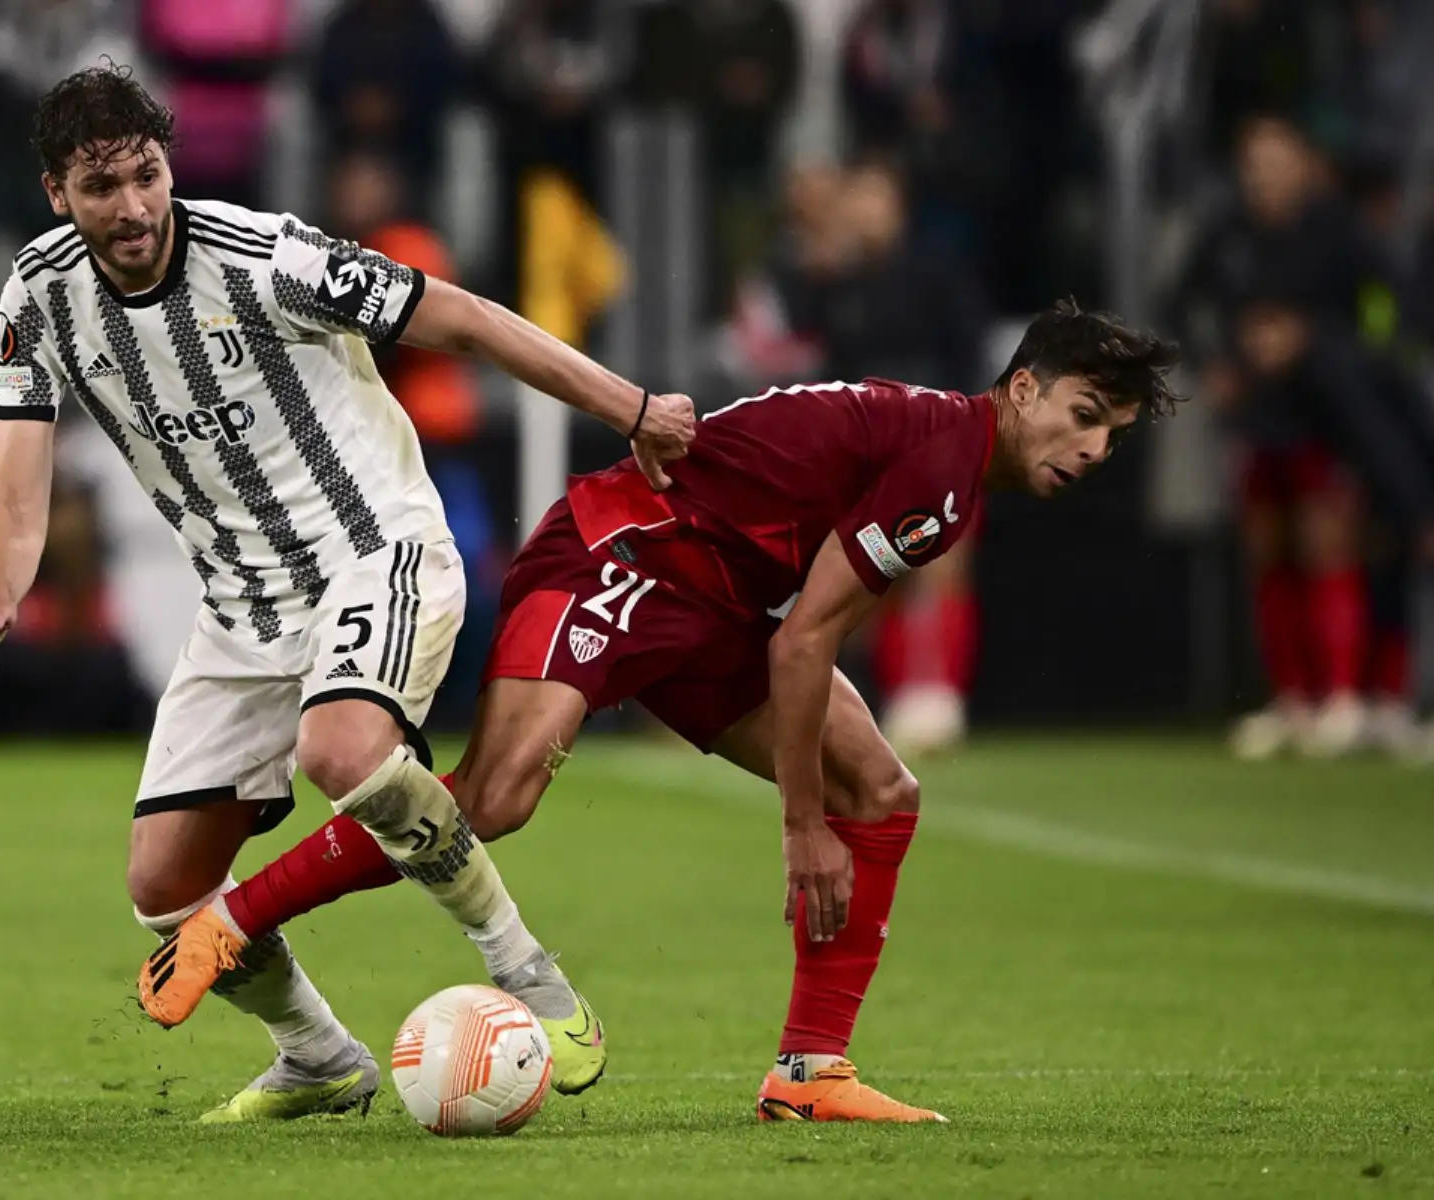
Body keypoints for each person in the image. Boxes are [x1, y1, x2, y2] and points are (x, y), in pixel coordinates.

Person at [156, 300, 1184, 1122]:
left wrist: (822, 808)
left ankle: (811, 1071)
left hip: (715, 604)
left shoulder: (948, 458)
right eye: (1084, 415)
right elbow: (805, 640)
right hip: (626, 552)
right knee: (499, 796)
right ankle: (233, 920)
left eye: (1113, 436)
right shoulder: (946, 470)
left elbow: (794, 633)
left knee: (880, 786)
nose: (1092, 449)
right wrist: (800, 828)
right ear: (1024, 387)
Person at [0, 65, 694, 1122]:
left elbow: (469, 320)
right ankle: (318, 1058)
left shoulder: (266, 257)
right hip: (242, 609)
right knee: (162, 888)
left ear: (170, 168)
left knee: (342, 750)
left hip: (373, 549)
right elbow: (16, 492)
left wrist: (635, 409)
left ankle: (530, 973)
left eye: (147, 176)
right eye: (101, 184)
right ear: (55, 193)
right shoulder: (37, 296)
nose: (132, 207)